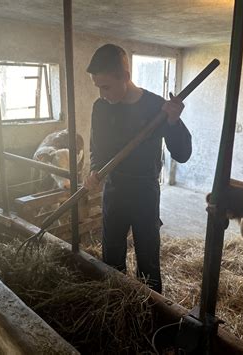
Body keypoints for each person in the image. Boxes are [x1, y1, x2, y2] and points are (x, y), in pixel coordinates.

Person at [84, 44, 192, 294]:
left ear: (125, 77)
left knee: (148, 258)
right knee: (111, 254)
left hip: (145, 191)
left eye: (106, 86)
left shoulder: (158, 107)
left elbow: (183, 154)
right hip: (114, 188)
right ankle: (115, 302)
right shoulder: (100, 108)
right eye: (98, 87)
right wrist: (95, 171)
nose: (102, 94)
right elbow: (96, 148)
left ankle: (153, 311)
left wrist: (173, 122)